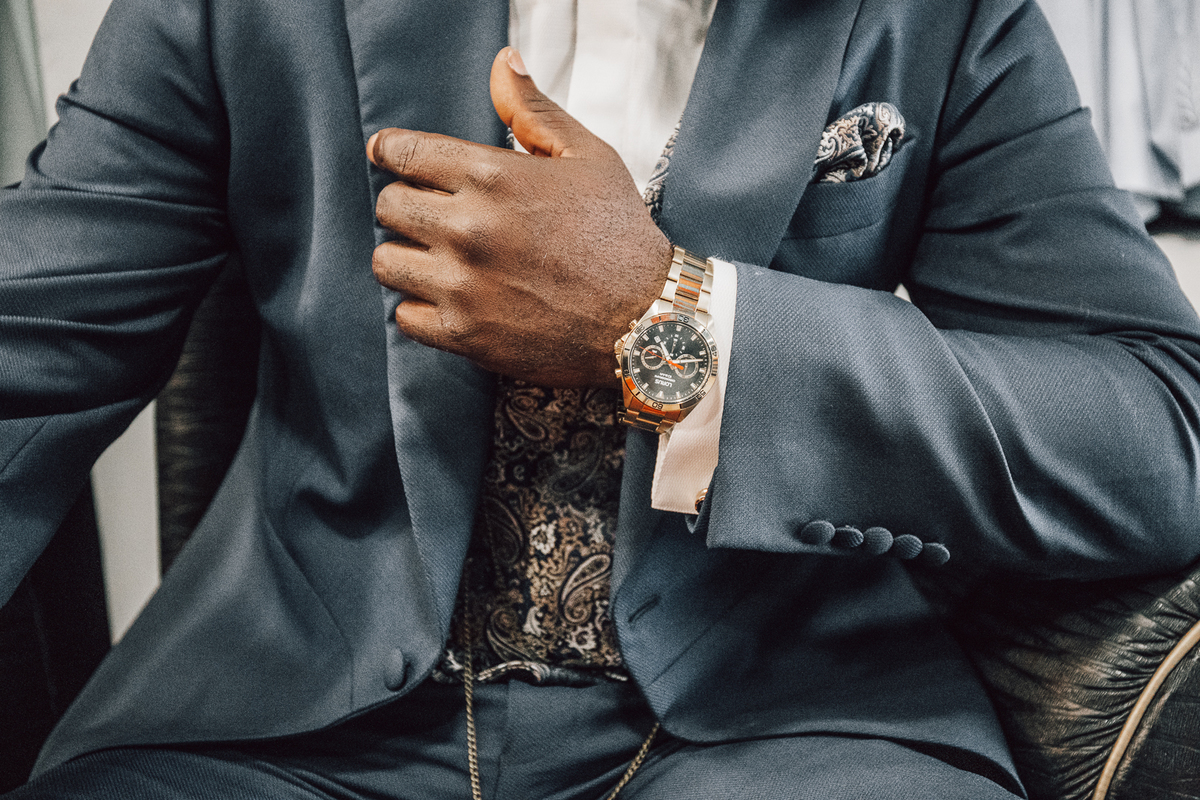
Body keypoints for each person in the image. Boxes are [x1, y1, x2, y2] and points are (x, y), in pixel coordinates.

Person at [3, 0, 1200, 796]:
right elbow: (35, 336)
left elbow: (1159, 423)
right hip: (287, 716)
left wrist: (679, 324)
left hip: (780, 718)